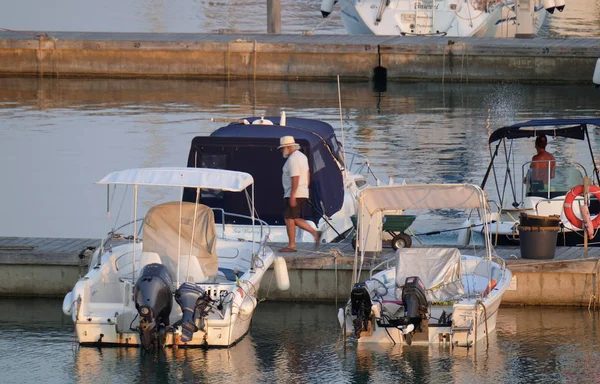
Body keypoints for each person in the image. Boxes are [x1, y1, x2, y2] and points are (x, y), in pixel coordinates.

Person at [278, 135, 321, 252]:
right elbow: (307, 174)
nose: (282, 150)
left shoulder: (293, 159)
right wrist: (305, 188)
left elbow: (295, 177)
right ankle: (315, 233)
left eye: (283, 148)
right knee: (294, 218)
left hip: (294, 193)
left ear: (288, 147)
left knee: (289, 219)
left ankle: (292, 245)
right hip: (301, 192)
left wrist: (293, 195)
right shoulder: (302, 157)